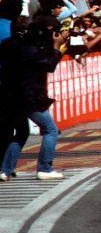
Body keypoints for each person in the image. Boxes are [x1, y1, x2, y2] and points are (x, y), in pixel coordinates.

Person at [1, 16, 67, 180]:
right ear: (26, 31)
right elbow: (49, 64)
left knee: (21, 132)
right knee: (50, 130)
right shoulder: (28, 48)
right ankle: (44, 168)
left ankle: (5, 170)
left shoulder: (7, 44)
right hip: (29, 95)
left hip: (10, 94)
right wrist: (57, 46)